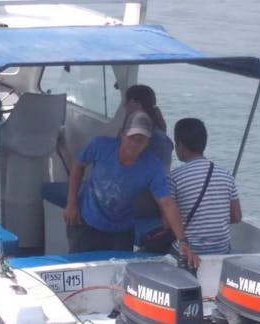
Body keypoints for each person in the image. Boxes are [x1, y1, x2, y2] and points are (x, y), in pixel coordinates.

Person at [64, 111, 200, 269]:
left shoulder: (152, 166)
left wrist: (183, 241)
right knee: (77, 270)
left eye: (141, 139)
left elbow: (167, 203)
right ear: (122, 134)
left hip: (121, 232)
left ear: (147, 142)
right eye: (132, 137)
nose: (135, 144)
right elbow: (78, 166)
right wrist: (71, 202)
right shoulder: (99, 145)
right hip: (87, 223)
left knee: (119, 276)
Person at [169, 118, 242, 255]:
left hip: (189, 251)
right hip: (222, 249)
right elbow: (236, 216)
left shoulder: (174, 178)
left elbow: (168, 223)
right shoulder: (226, 175)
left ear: (180, 145)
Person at [122, 84, 174, 216]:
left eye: (126, 102)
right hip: (159, 201)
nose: (124, 106)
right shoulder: (162, 137)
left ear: (135, 103)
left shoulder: (143, 137)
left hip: (141, 201)